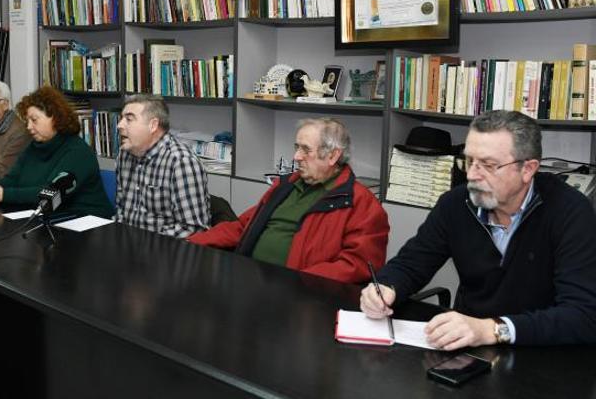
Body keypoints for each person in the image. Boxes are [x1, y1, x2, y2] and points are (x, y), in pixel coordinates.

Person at [361, 110, 596, 349]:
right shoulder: (456, 203)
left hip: (545, 356)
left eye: (488, 165)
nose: (472, 175)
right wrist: (386, 287)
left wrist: (492, 329)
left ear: (527, 169)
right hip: (468, 350)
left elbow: (583, 315)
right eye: (469, 161)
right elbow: (411, 264)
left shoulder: (570, 212)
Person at [188, 118, 388, 284]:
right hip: (247, 281)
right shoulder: (285, 186)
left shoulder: (361, 204)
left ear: (333, 156)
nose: (296, 156)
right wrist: (190, 243)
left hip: (303, 298)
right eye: (296, 147)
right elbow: (243, 227)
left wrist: (296, 281)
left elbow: (357, 265)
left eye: (306, 150)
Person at [0, 86, 113, 218]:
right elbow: (13, 178)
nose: (29, 127)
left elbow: (50, 193)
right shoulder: (35, 146)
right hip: (52, 219)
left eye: (34, 120)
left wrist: (3, 195)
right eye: (27, 121)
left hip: (88, 223)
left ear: (55, 117)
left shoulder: (77, 152)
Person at [114, 94, 210, 238]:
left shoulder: (181, 162)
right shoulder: (125, 154)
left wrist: (144, 245)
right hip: (129, 247)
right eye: (122, 118)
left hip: (166, 252)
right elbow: (121, 212)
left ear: (153, 125)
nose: (119, 125)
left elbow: (193, 230)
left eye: (128, 119)